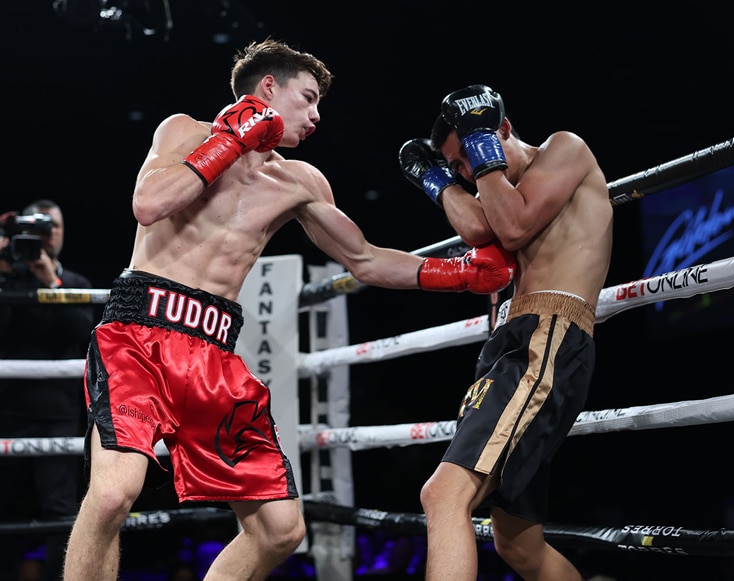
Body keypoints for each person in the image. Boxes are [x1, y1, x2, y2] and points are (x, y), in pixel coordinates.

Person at [62, 39, 516, 580]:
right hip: (138, 332)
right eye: (308, 98)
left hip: (212, 354)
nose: (317, 115)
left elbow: (365, 259)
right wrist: (229, 141)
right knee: (114, 496)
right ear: (268, 89)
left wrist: (459, 275)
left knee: (281, 530)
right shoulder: (184, 131)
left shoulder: (299, 182)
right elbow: (149, 203)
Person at [399, 84, 613, 580]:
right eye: (459, 167)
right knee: (518, 544)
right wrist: (440, 179)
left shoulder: (565, 148)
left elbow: (512, 229)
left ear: (504, 132)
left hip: (549, 337)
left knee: (444, 494)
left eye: (471, 155)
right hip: (514, 343)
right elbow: (477, 230)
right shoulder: (494, 194)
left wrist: (482, 152)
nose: (470, 173)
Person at [0, 199, 96, 581]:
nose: (47, 234)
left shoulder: (75, 284)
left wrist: (50, 283)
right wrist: (4, 274)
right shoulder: (6, 279)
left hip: (56, 415)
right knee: (4, 511)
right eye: (38, 228)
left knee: (59, 512)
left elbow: (82, 337)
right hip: (5, 413)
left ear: (61, 233)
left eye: (52, 226)